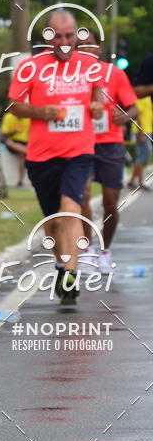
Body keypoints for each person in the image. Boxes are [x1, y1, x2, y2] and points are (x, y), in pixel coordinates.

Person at [7, 10, 103, 307]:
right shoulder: (31, 67)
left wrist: (97, 107)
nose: (64, 42)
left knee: (70, 210)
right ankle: (62, 265)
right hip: (42, 155)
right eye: (58, 36)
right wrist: (40, 112)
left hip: (79, 151)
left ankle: (70, 275)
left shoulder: (90, 65)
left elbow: (97, 96)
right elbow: (14, 105)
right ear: (48, 37)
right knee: (53, 220)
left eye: (69, 36)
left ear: (76, 36)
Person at [79, 32, 138, 273]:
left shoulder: (114, 74)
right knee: (82, 196)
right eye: (79, 46)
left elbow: (133, 108)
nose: (85, 49)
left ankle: (105, 251)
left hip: (110, 144)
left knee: (110, 202)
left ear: (99, 48)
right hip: (81, 143)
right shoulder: (70, 77)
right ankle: (87, 250)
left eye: (89, 45)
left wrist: (124, 117)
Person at [127, 96, 153, 191]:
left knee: (142, 157)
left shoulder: (148, 97)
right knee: (143, 157)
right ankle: (131, 181)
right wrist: (141, 133)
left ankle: (140, 182)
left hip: (146, 131)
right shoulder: (142, 97)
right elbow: (137, 114)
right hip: (142, 132)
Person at [0, 111, 30, 186]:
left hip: (25, 143)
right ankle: (29, 152)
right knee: (10, 143)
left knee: (21, 155)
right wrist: (14, 132)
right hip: (12, 142)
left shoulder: (28, 118)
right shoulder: (8, 117)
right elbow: (4, 135)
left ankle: (20, 181)